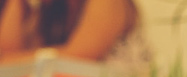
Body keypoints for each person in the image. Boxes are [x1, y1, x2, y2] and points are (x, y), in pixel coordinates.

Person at [0, 0, 141, 64]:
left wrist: (10, 61)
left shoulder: (108, 3)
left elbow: (76, 56)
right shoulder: (54, 11)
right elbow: (10, 55)